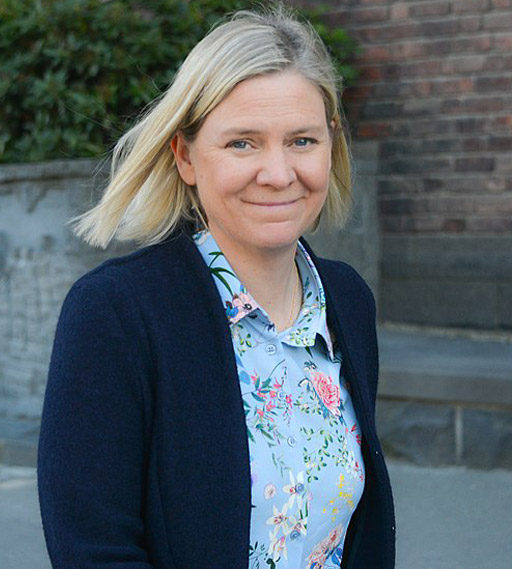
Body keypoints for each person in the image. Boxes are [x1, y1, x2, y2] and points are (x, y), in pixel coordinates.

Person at [37, 5, 395, 569]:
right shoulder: (117, 313)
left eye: (302, 140)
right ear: (185, 156)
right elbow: (93, 549)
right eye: (242, 144)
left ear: (332, 144)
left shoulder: (346, 301)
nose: (278, 173)